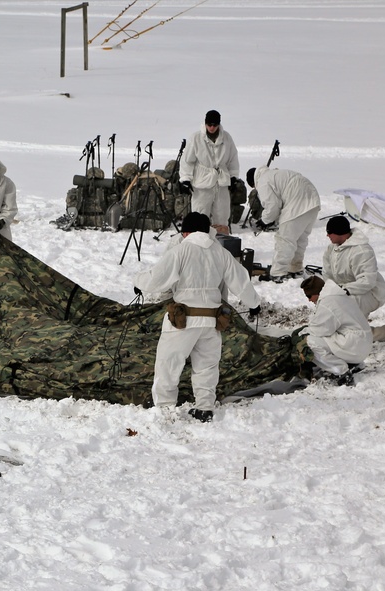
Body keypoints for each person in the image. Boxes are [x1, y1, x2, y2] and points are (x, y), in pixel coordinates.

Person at [134, 212, 261, 423]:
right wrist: (254, 304)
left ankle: (164, 408)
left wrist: (138, 280)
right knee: (207, 366)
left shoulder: (180, 250)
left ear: (185, 232)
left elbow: (156, 279)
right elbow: (241, 281)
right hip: (212, 321)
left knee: (169, 363)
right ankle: (204, 408)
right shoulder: (221, 252)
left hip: (183, 320)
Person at [322, 215, 385, 346]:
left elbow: (367, 281)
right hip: (345, 293)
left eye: (329, 232)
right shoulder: (331, 249)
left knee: (349, 328)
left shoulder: (361, 251)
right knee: (347, 330)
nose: (327, 236)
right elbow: (327, 274)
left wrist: (343, 291)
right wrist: (329, 291)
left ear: (339, 232)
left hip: (368, 293)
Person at [246, 166, 320, 282]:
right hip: (313, 200)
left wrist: (263, 221)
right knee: (300, 238)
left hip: (298, 202)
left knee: (284, 239)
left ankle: (277, 273)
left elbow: (272, 206)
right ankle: (295, 269)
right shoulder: (274, 174)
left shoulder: (263, 182)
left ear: (253, 183)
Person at [300, 275, 373, 385]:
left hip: (354, 345)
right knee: (327, 337)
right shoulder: (338, 296)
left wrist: (301, 333)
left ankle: (341, 371)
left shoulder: (328, 303)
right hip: (362, 343)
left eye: (309, 296)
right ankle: (353, 364)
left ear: (316, 293)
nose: (309, 300)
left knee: (308, 342)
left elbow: (319, 330)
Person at [178, 110, 240, 230]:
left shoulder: (226, 138)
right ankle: (198, 243)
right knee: (199, 215)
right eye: (209, 124)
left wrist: (233, 176)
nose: (212, 127)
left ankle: (220, 244)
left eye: (215, 125)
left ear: (219, 124)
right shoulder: (196, 138)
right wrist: (185, 179)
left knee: (222, 215)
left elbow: (233, 159)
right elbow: (187, 161)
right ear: (205, 123)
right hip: (202, 183)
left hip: (221, 182)